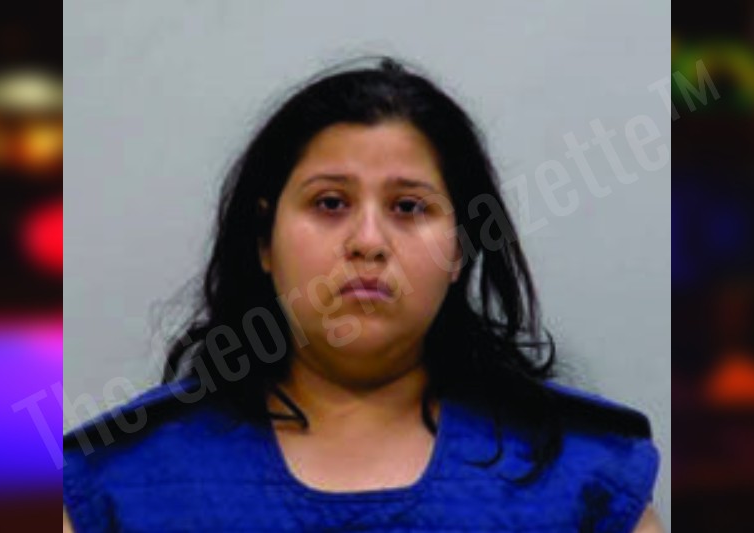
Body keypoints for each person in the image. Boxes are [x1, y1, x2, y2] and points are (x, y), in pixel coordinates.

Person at [63, 57, 663, 532]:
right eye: (330, 203)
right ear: (264, 240)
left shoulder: (583, 477)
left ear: (459, 250)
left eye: (409, 207)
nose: (369, 242)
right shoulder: (123, 483)